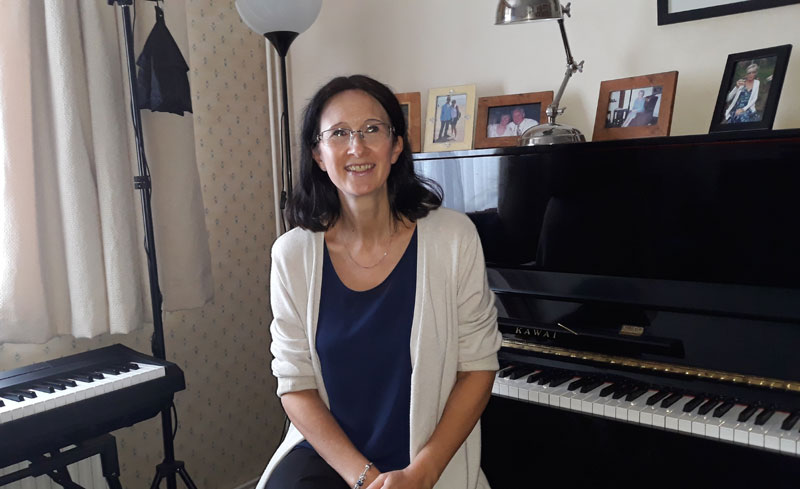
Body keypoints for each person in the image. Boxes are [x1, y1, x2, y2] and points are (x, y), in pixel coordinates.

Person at [257, 74, 502, 489]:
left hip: (424, 462)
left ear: (396, 145)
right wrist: (365, 478)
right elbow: (294, 385)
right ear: (318, 154)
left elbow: (478, 367)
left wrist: (423, 473)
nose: (357, 147)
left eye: (372, 129)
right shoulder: (291, 255)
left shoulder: (453, 238)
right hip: (331, 459)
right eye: (339, 133)